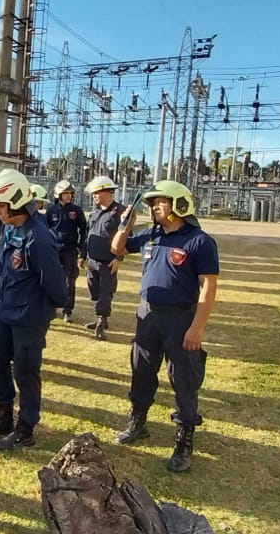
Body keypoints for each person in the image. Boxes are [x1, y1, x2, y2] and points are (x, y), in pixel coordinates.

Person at [108, 180, 218, 473]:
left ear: (180, 204)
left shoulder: (199, 241)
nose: (155, 207)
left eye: (161, 202)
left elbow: (208, 287)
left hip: (180, 319)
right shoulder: (151, 235)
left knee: (183, 380)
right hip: (148, 316)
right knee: (141, 371)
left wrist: (197, 327)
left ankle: (184, 441)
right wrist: (125, 225)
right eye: (152, 202)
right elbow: (117, 249)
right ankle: (137, 422)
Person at [0, 169, 68, 451]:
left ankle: (25, 427)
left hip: (29, 318)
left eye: (0, 206)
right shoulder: (11, 230)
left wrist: (42, 312)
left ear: (16, 202)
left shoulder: (39, 237)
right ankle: (3, 416)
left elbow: (55, 284)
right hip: (5, 312)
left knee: (26, 372)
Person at [81, 175, 125, 341]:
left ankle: (101, 321)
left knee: (106, 292)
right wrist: (83, 255)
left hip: (108, 262)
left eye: (96, 193)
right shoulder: (95, 213)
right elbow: (87, 235)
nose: (94, 196)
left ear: (107, 192)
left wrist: (118, 258)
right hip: (92, 260)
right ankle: (99, 317)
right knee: (94, 290)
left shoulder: (120, 212)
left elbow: (125, 235)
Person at [45, 180, 88, 323]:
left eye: (70, 193)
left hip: (70, 251)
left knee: (70, 281)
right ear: (58, 194)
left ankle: (67, 310)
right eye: (65, 193)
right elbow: (44, 230)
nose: (68, 196)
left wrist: (82, 252)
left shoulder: (76, 210)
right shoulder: (51, 210)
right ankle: (50, 306)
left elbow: (83, 231)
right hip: (53, 251)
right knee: (51, 279)